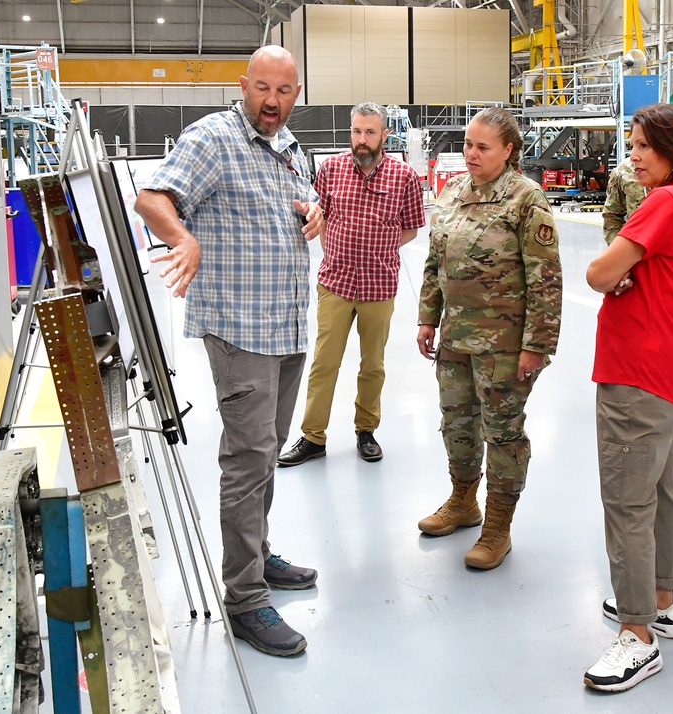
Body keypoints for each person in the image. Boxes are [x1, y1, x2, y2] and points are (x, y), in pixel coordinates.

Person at [134, 45, 324, 658]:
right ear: (244, 84)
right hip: (242, 328)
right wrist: (183, 236)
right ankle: (244, 597)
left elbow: (300, 203)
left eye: (285, 91)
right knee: (247, 459)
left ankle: (258, 554)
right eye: (263, 89)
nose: (272, 102)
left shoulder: (290, 144)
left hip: (288, 324)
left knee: (266, 450)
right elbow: (152, 198)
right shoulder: (213, 138)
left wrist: (313, 212)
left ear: (297, 93)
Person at [583, 103, 673, 692]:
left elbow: (596, 272)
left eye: (643, 146)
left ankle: (638, 633)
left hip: (637, 373)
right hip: (671, 369)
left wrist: (618, 270)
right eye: (631, 144)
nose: (632, 155)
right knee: (662, 491)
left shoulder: (666, 202)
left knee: (627, 503)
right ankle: (663, 599)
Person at [416, 107, 562, 570]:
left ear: (509, 150)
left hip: (504, 343)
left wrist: (537, 346)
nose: (471, 154)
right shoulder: (454, 191)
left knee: (502, 432)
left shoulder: (526, 199)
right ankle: (463, 500)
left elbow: (546, 280)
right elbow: (434, 262)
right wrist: (427, 317)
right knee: (456, 422)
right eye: (467, 145)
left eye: (482, 147)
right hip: (455, 337)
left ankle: (498, 525)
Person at [277, 101, 426, 467]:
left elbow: (412, 225)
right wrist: (333, 248)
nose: (362, 140)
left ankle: (366, 430)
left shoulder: (403, 176)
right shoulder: (330, 170)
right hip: (336, 283)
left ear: (384, 135)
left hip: (379, 284)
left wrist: (381, 246)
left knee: (372, 364)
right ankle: (313, 436)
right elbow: (319, 215)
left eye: (370, 132)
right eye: (357, 132)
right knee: (324, 362)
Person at [602, 156, 647, 245]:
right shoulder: (625, 170)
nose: (634, 153)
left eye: (643, 145)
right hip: (638, 247)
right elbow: (612, 216)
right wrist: (620, 250)